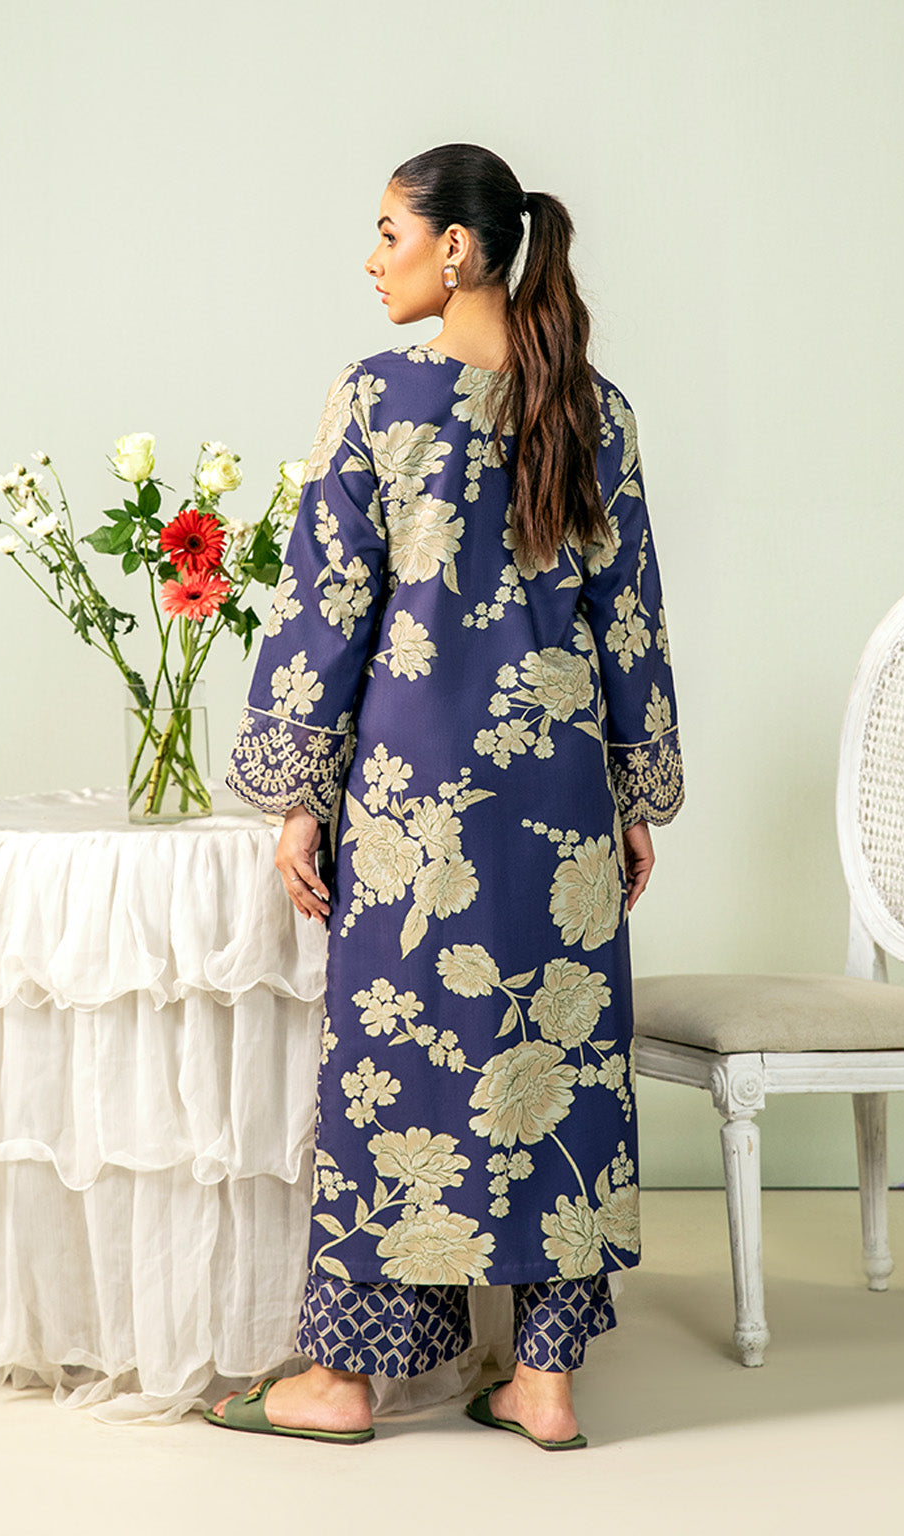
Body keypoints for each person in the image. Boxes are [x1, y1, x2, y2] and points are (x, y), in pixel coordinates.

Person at [208, 142, 685, 1451]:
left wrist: (299, 796)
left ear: (457, 248)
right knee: (556, 1065)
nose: (374, 261)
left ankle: (343, 1382)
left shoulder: (379, 398)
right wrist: (633, 795)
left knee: (396, 1071)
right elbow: (628, 615)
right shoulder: (595, 407)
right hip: (561, 796)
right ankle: (545, 1383)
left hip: (418, 804)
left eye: (390, 233)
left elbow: (327, 609)